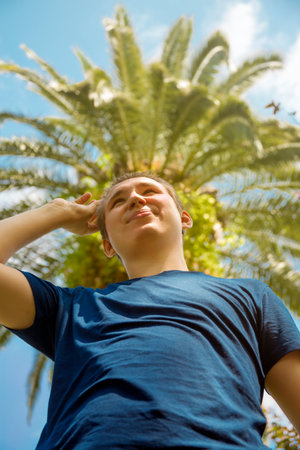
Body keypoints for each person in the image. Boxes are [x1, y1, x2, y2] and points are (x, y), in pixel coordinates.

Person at [0, 171, 299, 450]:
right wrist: (56, 213)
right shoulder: (68, 308)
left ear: (184, 218)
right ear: (107, 245)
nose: (135, 199)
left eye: (150, 191)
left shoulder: (249, 296)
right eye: (118, 201)